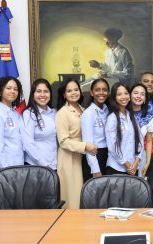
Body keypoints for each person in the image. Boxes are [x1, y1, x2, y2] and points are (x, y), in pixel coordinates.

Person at [56, 79, 98, 208]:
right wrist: (85, 146)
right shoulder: (62, 113)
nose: (73, 93)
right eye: (69, 91)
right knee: (73, 198)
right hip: (69, 159)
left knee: (85, 195)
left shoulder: (84, 109)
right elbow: (63, 141)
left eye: (76, 89)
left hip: (84, 156)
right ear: (64, 94)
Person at [105, 82, 142, 175]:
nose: (123, 97)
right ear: (114, 98)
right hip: (116, 168)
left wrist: (137, 161)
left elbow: (140, 140)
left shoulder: (131, 115)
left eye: (126, 93)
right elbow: (112, 146)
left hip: (133, 167)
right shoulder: (112, 118)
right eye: (119, 94)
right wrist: (127, 164)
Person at [21, 78, 57, 170]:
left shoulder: (54, 112)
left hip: (54, 164)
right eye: (38, 91)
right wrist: (44, 164)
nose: (42, 95)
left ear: (50, 94)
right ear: (33, 94)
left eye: (46, 91)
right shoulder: (29, 113)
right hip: (36, 166)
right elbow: (28, 144)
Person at [81, 78, 110, 177]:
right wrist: (96, 170)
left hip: (106, 156)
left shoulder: (107, 110)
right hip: (95, 158)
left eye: (104, 90)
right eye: (97, 90)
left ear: (108, 92)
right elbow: (88, 145)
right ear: (92, 93)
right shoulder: (88, 113)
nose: (101, 93)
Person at [140, 72, 153, 206]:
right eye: (146, 81)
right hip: (135, 155)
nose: (149, 84)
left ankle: (150, 221)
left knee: (150, 188)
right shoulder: (131, 102)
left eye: (152, 82)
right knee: (135, 189)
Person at [0, 76, 24, 169]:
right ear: (0, 91)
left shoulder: (16, 114)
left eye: (15, 89)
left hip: (20, 164)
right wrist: (5, 168)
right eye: (8, 88)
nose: (13, 91)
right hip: (6, 167)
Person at [131, 83, 153, 178]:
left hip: (141, 158)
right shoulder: (124, 113)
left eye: (142, 94)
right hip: (123, 159)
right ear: (130, 95)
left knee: (138, 189)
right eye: (136, 93)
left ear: (145, 98)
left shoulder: (149, 115)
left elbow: (149, 141)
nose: (138, 96)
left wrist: (147, 162)